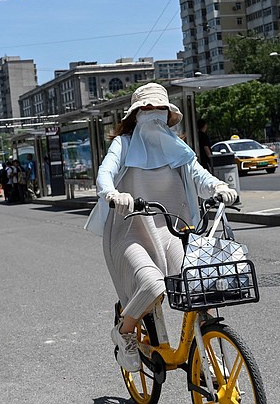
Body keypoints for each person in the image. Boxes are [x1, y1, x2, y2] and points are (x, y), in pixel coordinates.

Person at [84, 83, 237, 372]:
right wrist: (112, 194)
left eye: (160, 108)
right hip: (130, 231)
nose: (153, 114)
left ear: (168, 114)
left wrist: (218, 186)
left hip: (172, 231)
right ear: (136, 115)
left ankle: (210, 356)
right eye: (147, 108)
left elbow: (198, 174)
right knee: (153, 285)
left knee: (200, 286)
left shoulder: (176, 147)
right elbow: (105, 172)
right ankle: (125, 332)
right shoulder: (124, 144)